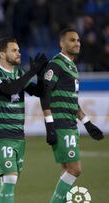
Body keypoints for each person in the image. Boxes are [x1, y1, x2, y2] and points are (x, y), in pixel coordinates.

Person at [40, 28, 104, 203]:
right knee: (75, 169)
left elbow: (71, 100)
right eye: (72, 40)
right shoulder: (56, 64)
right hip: (61, 124)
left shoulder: (72, 66)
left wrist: (87, 123)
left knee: (66, 170)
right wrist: (49, 125)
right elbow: (45, 94)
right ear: (62, 43)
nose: (77, 43)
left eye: (78, 40)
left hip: (70, 123)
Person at [0, 37, 47, 203]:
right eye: (14, 50)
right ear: (2, 54)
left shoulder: (19, 74)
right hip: (0, 134)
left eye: (19, 50)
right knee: (10, 178)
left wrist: (40, 75)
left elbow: (39, 92)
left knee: (8, 180)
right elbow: (8, 89)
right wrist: (31, 72)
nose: (18, 53)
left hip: (18, 135)